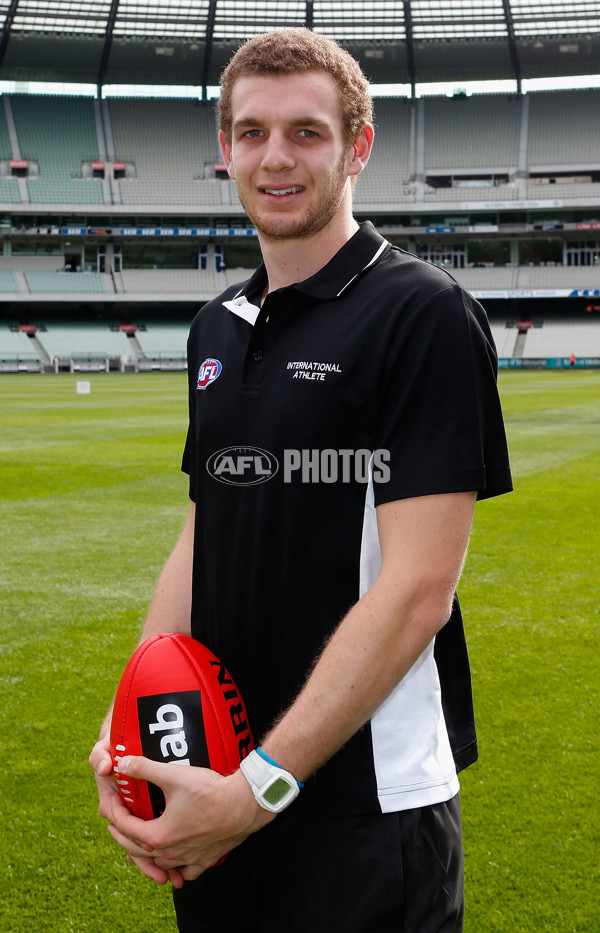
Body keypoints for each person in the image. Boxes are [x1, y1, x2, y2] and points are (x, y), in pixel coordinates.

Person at [90, 28, 512, 933]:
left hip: (361, 810)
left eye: (307, 133)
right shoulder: (217, 325)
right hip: (216, 781)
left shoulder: (422, 313)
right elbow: (206, 527)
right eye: (251, 133)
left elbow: (418, 589)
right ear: (226, 151)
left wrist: (262, 785)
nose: (275, 157)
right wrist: (133, 726)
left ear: (357, 146)